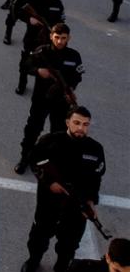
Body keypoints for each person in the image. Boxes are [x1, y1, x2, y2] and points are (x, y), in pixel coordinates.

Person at [21, 107, 105, 272]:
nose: (81, 128)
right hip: (49, 202)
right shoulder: (49, 141)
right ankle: (33, 261)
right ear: (67, 122)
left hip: (76, 204)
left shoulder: (95, 149)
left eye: (85, 124)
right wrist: (49, 182)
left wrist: (91, 200)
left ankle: (61, 267)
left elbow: (96, 178)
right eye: (77, 123)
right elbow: (34, 162)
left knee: (69, 244)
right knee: (39, 238)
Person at [15, 23, 83, 175]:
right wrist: (38, 71)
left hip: (62, 102)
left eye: (63, 38)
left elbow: (77, 77)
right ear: (51, 36)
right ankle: (25, 158)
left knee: (58, 134)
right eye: (57, 37)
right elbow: (25, 65)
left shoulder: (74, 56)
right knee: (32, 130)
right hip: (41, 98)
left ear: (69, 38)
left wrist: (70, 89)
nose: (59, 41)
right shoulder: (42, 52)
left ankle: (50, 162)